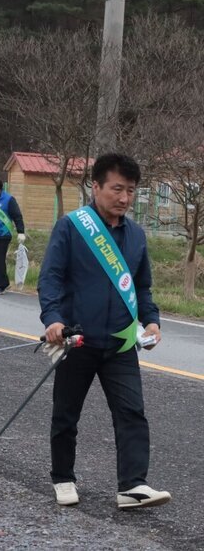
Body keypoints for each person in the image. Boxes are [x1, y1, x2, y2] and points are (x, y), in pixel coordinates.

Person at [39, 153, 169, 510]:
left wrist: (152, 321)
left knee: (132, 413)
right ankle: (63, 478)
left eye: (130, 190)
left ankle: (132, 486)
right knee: (66, 414)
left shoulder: (137, 236)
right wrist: (52, 319)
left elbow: (141, 288)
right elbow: (50, 278)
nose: (124, 198)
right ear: (95, 187)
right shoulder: (71, 226)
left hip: (121, 341)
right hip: (77, 339)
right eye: (117, 189)